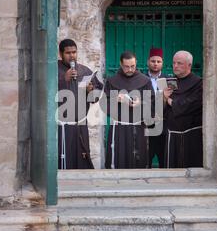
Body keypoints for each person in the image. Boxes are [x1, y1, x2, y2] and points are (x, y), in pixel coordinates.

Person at [104, 51, 155, 169]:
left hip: (138, 126)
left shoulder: (145, 81)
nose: (130, 69)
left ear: (136, 63)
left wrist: (140, 102)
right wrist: (115, 99)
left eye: (133, 66)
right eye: (127, 67)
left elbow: (153, 103)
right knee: (118, 157)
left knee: (137, 158)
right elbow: (104, 103)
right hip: (119, 128)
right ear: (121, 64)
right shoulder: (112, 81)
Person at [57, 39, 103, 169]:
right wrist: (62, 80)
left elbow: (95, 98)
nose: (72, 56)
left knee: (82, 159)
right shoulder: (53, 70)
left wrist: (91, 91)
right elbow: (45, 92)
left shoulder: (84, 71)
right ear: (61, 54)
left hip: (80, 125)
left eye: (74, 52)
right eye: (68, 53)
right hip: (61, 126)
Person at [163, 51, 203, 168]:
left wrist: (169, 100)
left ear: (189, 65)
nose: (175, 66)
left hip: (191, 136)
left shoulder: (198, 83)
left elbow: (192, 104)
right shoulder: (171, 82)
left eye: (179, 63)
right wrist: (163, 98)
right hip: (173, 134)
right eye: (174, 63)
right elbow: (163, 109)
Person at [146, 48, 169, 168]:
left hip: (163, 125)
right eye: (153, 61)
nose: (155, 64)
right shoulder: (141, 78)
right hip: (146, 124)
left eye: (158, 61)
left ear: (162, 63)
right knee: (146, 157)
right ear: (148, 62)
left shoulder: (168, 79)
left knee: (163, 158)